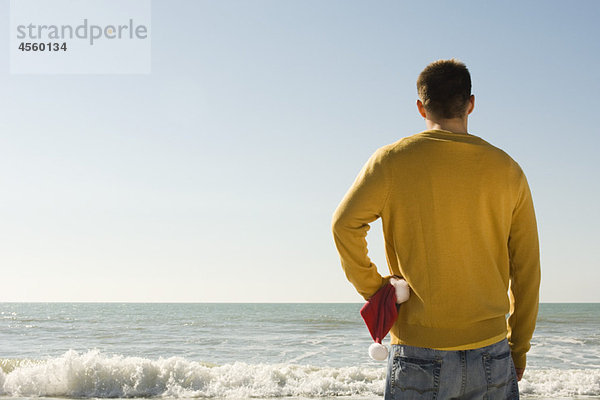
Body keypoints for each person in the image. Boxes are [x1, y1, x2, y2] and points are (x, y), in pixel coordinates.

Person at [331, 59, 540, 399]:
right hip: (492, 351)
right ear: (470, 103)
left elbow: (344, 226)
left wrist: (376, 289)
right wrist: (519, 347)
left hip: (417, 351)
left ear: (420, 106)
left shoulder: (391, 160)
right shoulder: (508, 169)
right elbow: (527, 268)